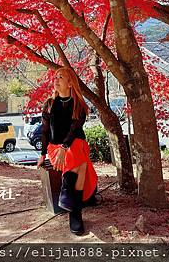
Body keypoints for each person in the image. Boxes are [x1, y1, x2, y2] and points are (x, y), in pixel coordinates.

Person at [37, 67, 98, 236]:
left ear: (70, 83)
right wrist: (43, 154)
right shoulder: (49, 104)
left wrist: (66, 147)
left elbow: (74, 130)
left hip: (74, 145)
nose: (56, 80)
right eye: (55, 77)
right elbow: (44, 131)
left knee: (77, 149)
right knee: (82, 163)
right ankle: (75, 211)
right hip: (56, 148)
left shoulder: (79, 105)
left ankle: (69, 197)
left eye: (61, 77)